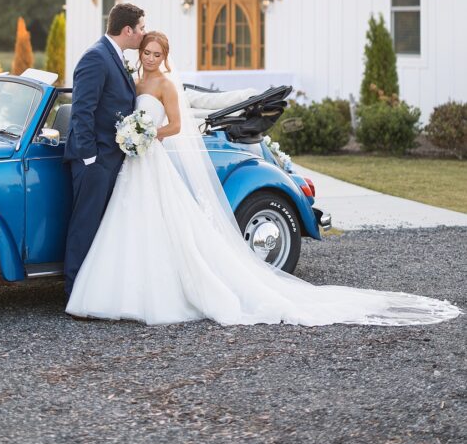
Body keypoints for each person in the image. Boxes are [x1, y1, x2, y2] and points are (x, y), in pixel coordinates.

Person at [66, 31, 462, 327]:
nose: (150, 58)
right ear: (140, 54)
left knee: (164, 224)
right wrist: (131, 134)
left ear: (164, 57)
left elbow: (176, 124)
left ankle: (161, 294)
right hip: (133, 161)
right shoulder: (135, 82)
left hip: (151, 157)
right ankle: (122, 290)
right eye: (146, 53)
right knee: (128, 224)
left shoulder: (166, 84)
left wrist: (147, 134)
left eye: (156, 54)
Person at [63, 2, 146, 298]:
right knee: (85, 225)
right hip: (95, 160)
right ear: (127, 30)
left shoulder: (115, 56)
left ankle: (95, 291)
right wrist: (90, 158)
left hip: (111, 159)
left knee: (101, 227)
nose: (143, 33)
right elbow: (82, 110)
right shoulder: (96, 58)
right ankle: (75, 294)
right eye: (141, 28)